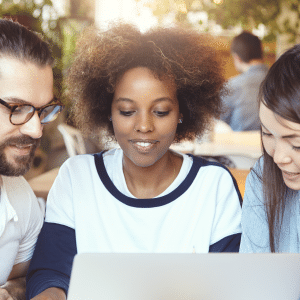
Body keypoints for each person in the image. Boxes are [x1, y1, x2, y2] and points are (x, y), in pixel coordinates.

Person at [26, 23, 242, 300]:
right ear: (108, 112)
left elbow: (230, 286)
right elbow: (51, 272)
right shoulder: (77, 177)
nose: (144, 126)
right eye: (127, 111)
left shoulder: (213, 186)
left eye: (161, 111)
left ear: (182, 112)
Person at [0, 19, 64, 300]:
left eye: (42, 110)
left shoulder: (19, 197)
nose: (36, 129)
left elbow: (25, 276)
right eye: (17, 108)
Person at [240, 43, 300, 253]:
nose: (279, 158)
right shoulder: (263, 177)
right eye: (267, 134)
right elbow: (252, 275)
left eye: (296, 144)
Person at [220, 31, 269, 131]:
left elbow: (217, 120)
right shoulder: (283, 81)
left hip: (241, 145)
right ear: (261, 53)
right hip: (276, 144)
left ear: (237, 58)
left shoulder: (232, 86)